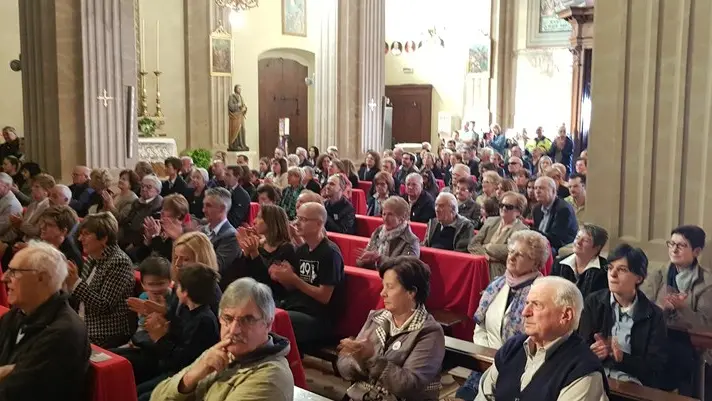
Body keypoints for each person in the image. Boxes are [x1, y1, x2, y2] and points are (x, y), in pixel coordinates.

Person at [150, 278, 293, 401]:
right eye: (228, 318)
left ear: (268, 324)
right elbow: (157, 397)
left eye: (248, 320)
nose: (234, 330)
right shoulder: (219, 352)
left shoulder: (271, 377)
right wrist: (192, 376)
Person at [475, 276, 610, 401]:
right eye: (527, 303)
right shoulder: (512, 348)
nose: (525, 312)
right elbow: (484, 396)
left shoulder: (583, 370)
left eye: (537, 305)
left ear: (565, 315)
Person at [456, 230, 548, 401]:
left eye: (520, 255)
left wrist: (503, 360)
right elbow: (480, 326)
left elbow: (540, 339)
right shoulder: (497, 284)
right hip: (485, 363)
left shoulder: (542, 292)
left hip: (520, 371)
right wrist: (486, 353)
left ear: (536, 263)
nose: (511, 257)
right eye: (511, 251)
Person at [337, 256, 444, 401]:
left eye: (390, 287)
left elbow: (408, 385)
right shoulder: (377, 318)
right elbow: (343, 367)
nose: (382, 293)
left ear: (411, 292)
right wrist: (357, 359)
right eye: (383, 286)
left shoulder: (429, 333)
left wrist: (371, 358)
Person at [0, 241, 90, 401]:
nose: (4, 278)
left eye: (14, 272)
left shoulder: (64, 332)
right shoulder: (16, 314)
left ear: (41, 278)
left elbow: (15, 393)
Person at [118, 263, 220, 401]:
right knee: (134, 389)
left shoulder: (204, 321)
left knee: (141, 396)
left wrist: (160, 337)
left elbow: (183, 360)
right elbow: (176, 323)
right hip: (171, 367)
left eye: (178, 286)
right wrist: (159, 313)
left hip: (185, 376)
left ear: (185, 292)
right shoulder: (187, 309)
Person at [578, 244, 668, 389]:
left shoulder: (654, 315)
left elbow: (655, 369)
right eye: (610, 268)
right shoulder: (593, 302)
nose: (612, 274)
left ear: (639, 278)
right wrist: (593, 350)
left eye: (622, 270)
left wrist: (621, 358)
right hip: (593, 375)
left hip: (630, 385)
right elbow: (579, 347)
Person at [272, 202, 344, 345]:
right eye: (297, 218)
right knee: (259, 307)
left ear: (318, 224)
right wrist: (283, 277)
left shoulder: (330, 253)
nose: (297, 223)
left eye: (303, 220)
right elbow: (293, 287)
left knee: (271, 320)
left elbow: (324, 297)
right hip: (296, 306)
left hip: (317, 317)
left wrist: (294, 279)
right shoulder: (302, 250)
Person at [67, 212, 135, 348]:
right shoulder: (93, 256)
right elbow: (79, 296)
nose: (80, 239)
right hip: (82, 323)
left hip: (104, 333)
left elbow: (104, 306)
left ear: (103, 238)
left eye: (86, 234)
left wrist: (75, 283)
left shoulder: (119, 262)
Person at [236, 205, 296, 299]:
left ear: (271, 222)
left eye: (260, 217)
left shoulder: (286, 248)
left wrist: (254, 253)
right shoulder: (260, 244)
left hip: (273, 298)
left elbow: (268, 282)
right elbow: (243, 274)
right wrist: (246, 252)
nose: (254, 221)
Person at [468, 191, 529, 279]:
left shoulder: (522, 230)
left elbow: (509, 251)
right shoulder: (490, 221)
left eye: (509, 207)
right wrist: (486, 257)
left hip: (502, 272)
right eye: (501, 205)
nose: (504, 208)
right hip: (481, 266)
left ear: (518, 212)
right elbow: (473, 244)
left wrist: (488, 247)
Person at [357, 197, 420, 269]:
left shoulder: (411, 240)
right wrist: (363, 261)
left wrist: (380, 259)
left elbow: (407, 268)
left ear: (402, 217)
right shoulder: (378, 231)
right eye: (384, 214)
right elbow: (366, 254)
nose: (385, 218)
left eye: (390, 215)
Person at [551, 224, 609, 299]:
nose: (578, 242)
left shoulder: (605, 270)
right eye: (577, 237)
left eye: (585, 240)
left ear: (597, 248)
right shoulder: (559, 263)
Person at [200, 188, 241, 279]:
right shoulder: (202, 230)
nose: (203, 210)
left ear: (222, 209)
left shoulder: (232, 236)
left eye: (208, 206)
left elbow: (215, 267)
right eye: (204, 205)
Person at [136, 194, 190, 262]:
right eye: (162, 208)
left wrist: (156, 237)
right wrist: (148, 241)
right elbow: (140, 257)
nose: (162, 212)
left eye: (166, 209)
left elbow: (162, 260)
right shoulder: (159, 228)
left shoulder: (185, 236)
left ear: (179, 215)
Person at [118, 175, 164, 253]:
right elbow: (128, 220)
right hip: (127, 238)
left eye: (149, 187)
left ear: (157, 191)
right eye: (142, 186)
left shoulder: (158, 206)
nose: (144, 189)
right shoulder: (137, 202)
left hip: (141, 245)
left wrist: (132, 244)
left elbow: (144, 231)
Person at [532, 176, 577, 253]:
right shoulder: (537, 209)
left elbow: (556, 240)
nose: (537, 191)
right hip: (541, 244)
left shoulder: (563, 209)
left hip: (560, 247)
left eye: (541, 188)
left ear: (553, 191)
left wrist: (532, 231)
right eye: (535, 188)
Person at [0, 173, 23, 246]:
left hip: (6, 241)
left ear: (7, 186)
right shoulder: (3, 197)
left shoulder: (11, 204)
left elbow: (1, 229)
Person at [227, 84, 249, 151]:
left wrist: (244, 108)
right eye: (238, 88)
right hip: (235, 118)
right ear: (235, 89)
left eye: (240, 89)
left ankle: (242, 144)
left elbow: (243, 105)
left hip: (240, 117)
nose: (239, 90)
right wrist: (237, 105)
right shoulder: (232, 96)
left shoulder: (241, 97)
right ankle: (234, 145)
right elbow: (230, 106)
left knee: (242, 130)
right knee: (235, 131)